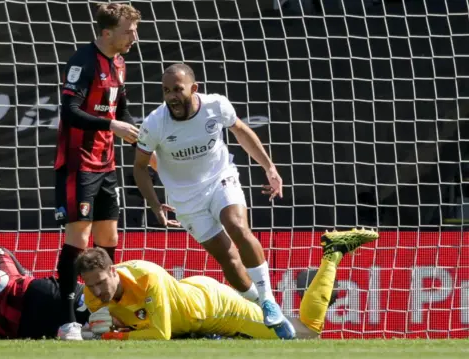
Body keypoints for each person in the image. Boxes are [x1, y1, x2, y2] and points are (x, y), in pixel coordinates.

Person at [132, 63, 294, 338]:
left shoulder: (215, 106)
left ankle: (268, 298)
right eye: (166, 90)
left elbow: (242, 132)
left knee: (237, 227)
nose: (171, 96)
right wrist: (155, 203)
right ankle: (262, 308)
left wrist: (269, 167)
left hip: (220, 178)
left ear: (194, 89)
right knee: (228, 258)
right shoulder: (155, 123)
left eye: (177, 89)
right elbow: (139, 166)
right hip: (186, 200)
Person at [77, 228, 379, 340]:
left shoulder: (147, 277)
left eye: (102, 283)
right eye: (92, 287)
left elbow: (159, 334)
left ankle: (332, 252)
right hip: (192, 296)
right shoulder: (93, 297)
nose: (99, 291)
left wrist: (106, 338)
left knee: (305, 336)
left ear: (113, 271)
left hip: (217, 307)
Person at [53, 3, 146, 340]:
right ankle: (67, 323)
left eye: (135, 30)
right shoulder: (83, 61)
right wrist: (112, 125)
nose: (134, 37)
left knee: (109, 240)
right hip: (79, 165)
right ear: (106, 33)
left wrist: (142, 146)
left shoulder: (119, 63)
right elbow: (70, 111)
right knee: (78, 240)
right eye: (128, 31)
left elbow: (123, 112)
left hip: (106, 165)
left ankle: (103, 315)